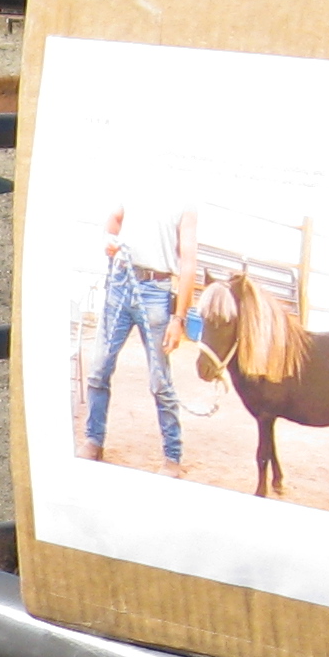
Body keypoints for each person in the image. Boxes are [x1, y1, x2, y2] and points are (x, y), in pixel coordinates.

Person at [83, 200, 192, 472]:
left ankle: (172, 455)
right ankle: (93, 440)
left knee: (160, 380)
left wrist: (178, 319)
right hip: (121, 283)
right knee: (99, 369)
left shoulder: (185, 205)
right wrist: (109, 242)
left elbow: (189, 263)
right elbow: (114, 220)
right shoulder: (134, 190)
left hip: (156, 291)